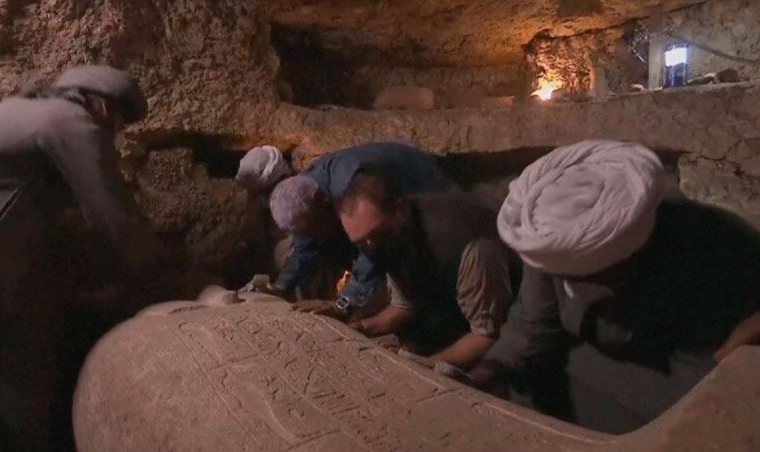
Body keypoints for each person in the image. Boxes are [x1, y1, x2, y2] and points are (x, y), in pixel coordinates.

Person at [473, 140, 760, 433]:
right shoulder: (553, 240)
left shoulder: (713, 244)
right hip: (606, 362)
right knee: (528, 383)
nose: (579, 284)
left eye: (599, 274)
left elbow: (721, 354)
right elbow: (531, 327)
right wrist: (487, 370)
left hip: (689, 370)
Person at [0, 65, 162, 451]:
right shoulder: (70, 122)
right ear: (103, 108)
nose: (113, 136)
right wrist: (159, 279)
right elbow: (113, 216)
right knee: (18, 382)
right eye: (117, 125)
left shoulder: (18, 112)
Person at [335, 168, 519, 371]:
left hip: (506, 325)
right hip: (457, 306)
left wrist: (427, 365)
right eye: (361, 242)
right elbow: (405, 306)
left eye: (376, 234)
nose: (371, 246)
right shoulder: (392, 236)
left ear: (401, 209)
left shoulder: (465, 243)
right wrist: (357, 328)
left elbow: (486, 335)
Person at [256, 142, 449, 316]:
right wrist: (281, 285)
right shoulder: (304, 192)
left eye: (315, 229)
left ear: (323, 202)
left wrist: (342, 304)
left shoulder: (351, 189)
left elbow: (373, 251)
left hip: (429, 191)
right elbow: (304, 244)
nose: (314, 237)